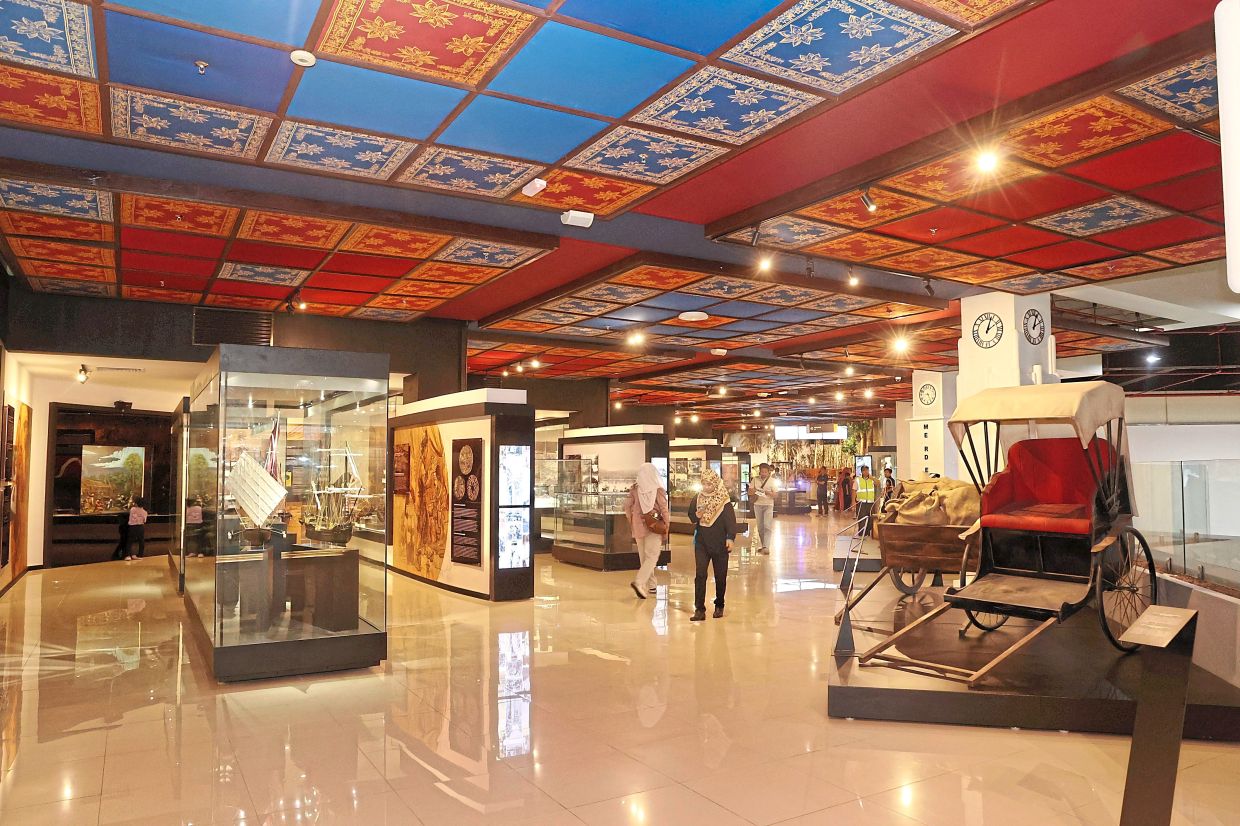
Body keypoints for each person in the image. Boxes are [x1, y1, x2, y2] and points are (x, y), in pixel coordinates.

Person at [687, 468, 737, 621]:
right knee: (700, 574)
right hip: (702, 543)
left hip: (720, 544)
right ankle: (699, 610)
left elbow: (730, 521)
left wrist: (730, 538)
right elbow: (691, 516)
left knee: (720, 576)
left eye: (709, 484)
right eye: (704, 484)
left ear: (715, 483)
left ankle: (719, 605)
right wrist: (697, 515)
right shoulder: (698, 498)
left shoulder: (723, 500)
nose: (707, 487)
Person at [624, 463, 669, 600]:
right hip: (654, 526)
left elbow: (626, 506)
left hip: (638, 526)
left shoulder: (635, 489)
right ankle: (639, 582)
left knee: (644, 557)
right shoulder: (658, 490)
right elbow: (664, 510)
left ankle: (652, 585)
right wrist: (666, 525)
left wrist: (632, 520)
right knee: (652, 556)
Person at [749, 463, 778, 555]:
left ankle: (766, 547)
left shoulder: (772, 481)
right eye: (762, 472)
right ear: (760, 471)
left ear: (769, 472)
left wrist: (767, 492)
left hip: (768, 505)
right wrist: (753, 491)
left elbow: (776, 495)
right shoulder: (755, 480)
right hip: (757, 505)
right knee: (760, 527)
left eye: (765, 472)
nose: (764, 473)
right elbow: (749, 492)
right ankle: (764, 545)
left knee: (767, 526)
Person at [855, 466, 878, 536]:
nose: (866, 472)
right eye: (864, 471)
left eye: (867, 470)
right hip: (861, 502)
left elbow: (878, 484)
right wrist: (853, 501)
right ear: (862, 472)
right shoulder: (858, 479)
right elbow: (854, 490)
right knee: (862, 518)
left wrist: (873, 478)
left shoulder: (871, 479)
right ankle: (862, 533)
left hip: (870, 502)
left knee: (870, 518)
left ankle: (868, 532)